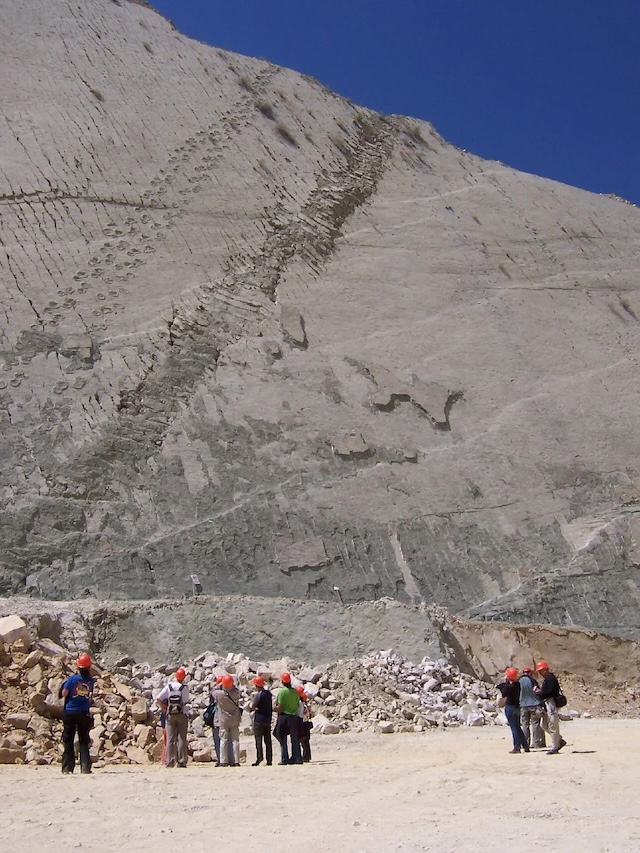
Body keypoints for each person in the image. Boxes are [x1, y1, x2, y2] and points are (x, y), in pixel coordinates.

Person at [60, 653, 94, 774]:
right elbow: (89, 696)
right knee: (84, 740)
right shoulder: (90, 681)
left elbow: (64, 693)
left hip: (70, 711)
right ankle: (85, 767)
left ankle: (67, 768)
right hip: (83, 712)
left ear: (78, 667)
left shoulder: (72, 679)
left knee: (68, 740)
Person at [156, 667, 190, 768]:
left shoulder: (169, 686)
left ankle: (169, 761)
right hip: (182, 713)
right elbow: (186, 701)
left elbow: (158, 699)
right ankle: (182, 761)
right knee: (182, 738)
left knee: (170, 738)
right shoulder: (184, 688)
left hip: (170, 715)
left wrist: (164, 709)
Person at [535, 660, 567, 755]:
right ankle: (559, 740)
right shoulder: (547, 679)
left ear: (545, 670)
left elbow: (551, 691)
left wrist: (540, 692)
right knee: (544, 725)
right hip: (547, 703)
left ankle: (555, 746)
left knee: (553, 725)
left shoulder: (551, 678)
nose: (540, 673)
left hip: (551, 703)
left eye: (541, 671)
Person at [497, 667, 529, 754]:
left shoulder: (508, 687)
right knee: (518, 727)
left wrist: (505, 681)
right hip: (517, 707)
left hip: (510, 707)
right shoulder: (517, 685)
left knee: (514, 728)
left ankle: (517, 747)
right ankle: (525, 745)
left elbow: (501, 689)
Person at [212, 674, 243, 767]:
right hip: (234, 719)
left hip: (223, 720)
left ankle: (223, 761)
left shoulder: (219, 694)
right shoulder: (236, 692)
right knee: (235, 740)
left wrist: (219, 684)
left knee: (223, 740)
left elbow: (212, 692)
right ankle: (236, 761)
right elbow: (236, 688)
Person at [274, 672, 303, 765]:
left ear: (282, 681)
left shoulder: (282, 692)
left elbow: (279, 707)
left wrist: (274, 709)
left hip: (284, 717)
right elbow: (297, 704)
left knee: (282, 738)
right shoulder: (295, 692)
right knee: (294, 739)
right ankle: (296, 757)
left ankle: (285, 758)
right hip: (293, 717)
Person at [519, 666, 545, 749]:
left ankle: (525, 743)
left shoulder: (519, 681)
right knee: (535, 724)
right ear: (530, 673)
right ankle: (536, 743)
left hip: (523, 705)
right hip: (534, 704)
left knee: (525, 725)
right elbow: (537, 691)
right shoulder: (532, 680)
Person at [248, 675, 273, 766]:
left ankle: (259, 757)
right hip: (267, 719)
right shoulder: (268, 693)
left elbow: (253, 706)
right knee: (268, 740)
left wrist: (253, 708)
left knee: (258, 740)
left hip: (259, 720)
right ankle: (269, 759)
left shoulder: (258, 695)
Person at [296, 685, 313, 763]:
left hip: (302, 723)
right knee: (306, 741)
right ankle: (307, 756)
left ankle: (305, 756)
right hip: (306, 722)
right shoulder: (305, 702)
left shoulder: (300, 703)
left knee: (303, 740)